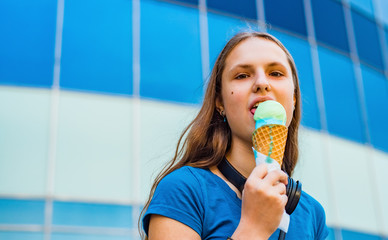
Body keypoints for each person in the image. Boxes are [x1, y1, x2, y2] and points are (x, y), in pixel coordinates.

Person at [139, 31, 329, 240]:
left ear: (293, 98)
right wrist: (253, 229)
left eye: (276, 73)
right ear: (220, 102)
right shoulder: (184, 190)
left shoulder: (313, 215)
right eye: (242, 75)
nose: (262, 83)